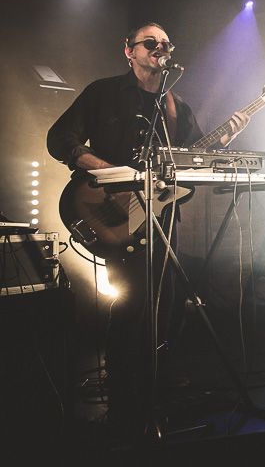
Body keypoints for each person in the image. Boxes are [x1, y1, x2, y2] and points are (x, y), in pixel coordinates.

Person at [47, 22, 249, 437]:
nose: (160, 47)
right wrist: (109, 170)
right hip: (113, 213)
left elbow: (192, 159)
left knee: (168, 301)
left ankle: (153, 380)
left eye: (165, 43)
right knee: (133, 304)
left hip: (159, 218)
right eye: (150, 42)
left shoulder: (176, 106)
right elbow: (60, 138)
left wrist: (226, 138)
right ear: (130, 51)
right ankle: (124, 397)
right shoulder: (103, 93)